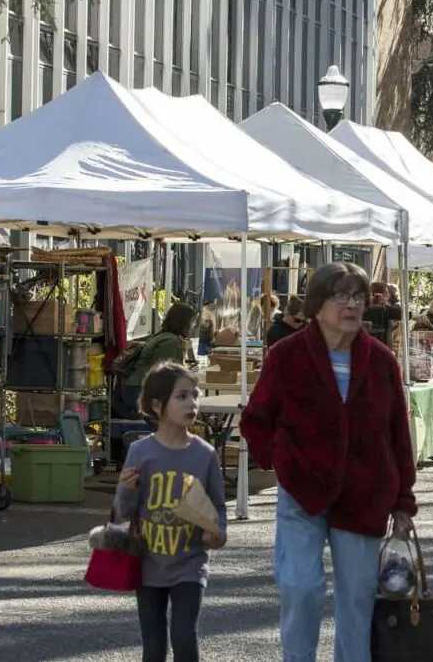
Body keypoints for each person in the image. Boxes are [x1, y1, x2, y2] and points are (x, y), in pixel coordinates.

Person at [238, 262, 417, 662]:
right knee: (300, 588)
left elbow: (398, 436)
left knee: (356, 600)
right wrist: (280, 459)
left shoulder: (382, 360)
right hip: (303, 489)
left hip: (364, 494)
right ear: (318, 305)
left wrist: (404, 501)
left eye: (358, 297)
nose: (351, 305)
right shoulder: (287, 355)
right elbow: (255, 420)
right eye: (341, 296)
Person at [114, 362, 227, 662]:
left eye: (195, 395)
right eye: (181, 396)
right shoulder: (140, 452)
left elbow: (217, 506)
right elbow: (122, 513)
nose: (192, 403)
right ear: (157, 404)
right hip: (148, 564)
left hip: (190, 564)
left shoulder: (205, 454)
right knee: (153, 647)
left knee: (184, 638)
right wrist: (127, 488)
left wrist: (217, 533)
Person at [115, 303, 196, 421]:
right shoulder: (170, 341)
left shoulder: (163, 336)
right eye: (192, 322)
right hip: (137, 392)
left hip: (132, 389)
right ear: (184, 322)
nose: (193, 326)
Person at [362, 281, 401, 347]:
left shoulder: (385, 308)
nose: (388, 295)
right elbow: (399, 314)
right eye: (386, 292)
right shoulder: (383, 309)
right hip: (379, 345)